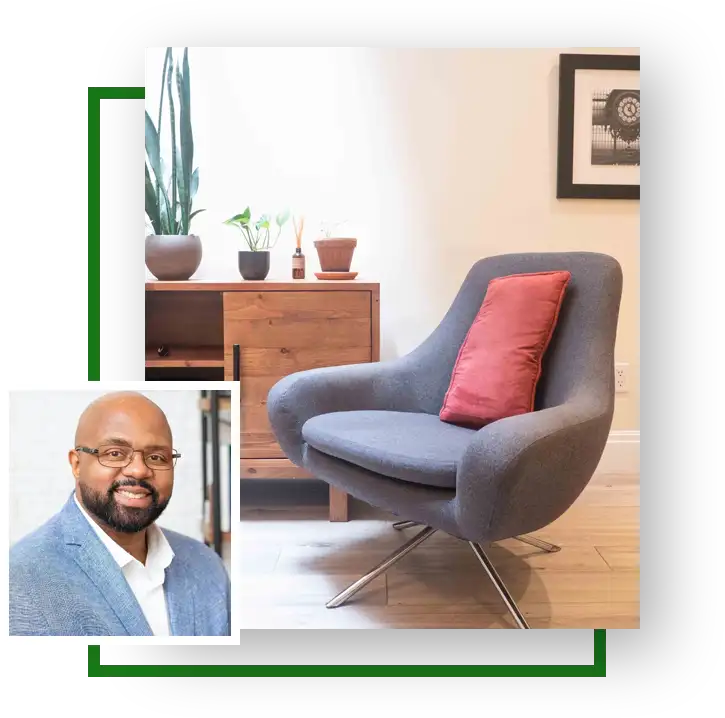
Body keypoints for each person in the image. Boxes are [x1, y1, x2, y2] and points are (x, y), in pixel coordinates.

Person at [9, 391, 231, 636]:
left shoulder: (206, 565)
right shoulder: (19, 579)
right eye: (114, 453)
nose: (138, 470)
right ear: (77, 464)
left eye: (156, 457)